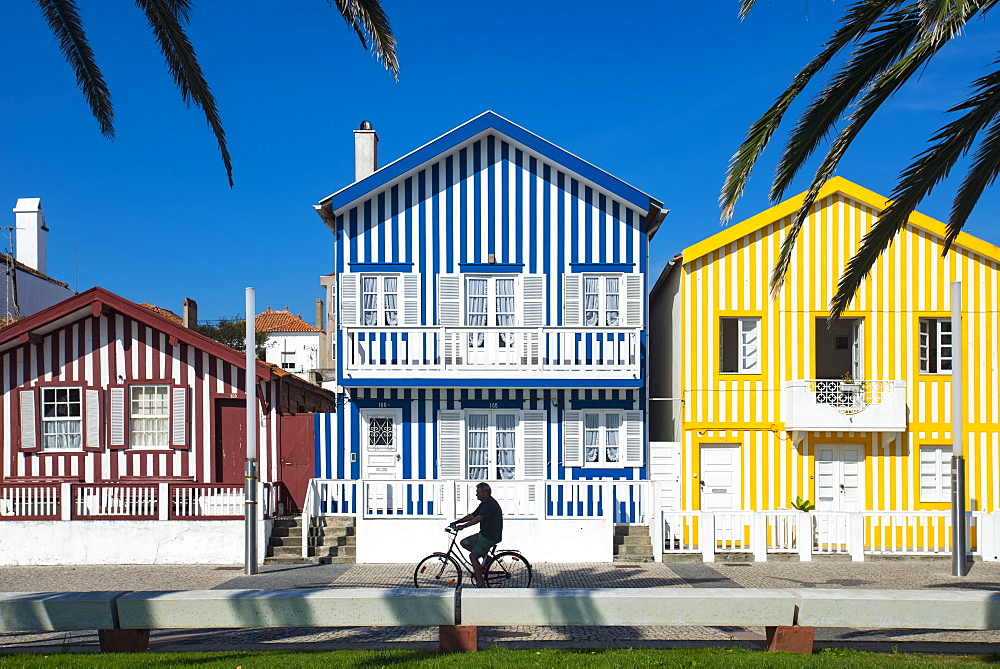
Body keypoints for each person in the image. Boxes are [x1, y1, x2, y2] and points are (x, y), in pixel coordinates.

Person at [450, 482, 503, 587]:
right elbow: (473, 515)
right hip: (483, 534)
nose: (476, 494)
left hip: (489, 536)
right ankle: (486, 558)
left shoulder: (490, 504)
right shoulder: (484, 503)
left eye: (478, 492)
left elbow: (479, 518)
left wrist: (464, 526)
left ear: (485, 493)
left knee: (473, 556)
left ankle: (481, 582)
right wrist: (457, 522)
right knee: (464, 542)